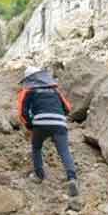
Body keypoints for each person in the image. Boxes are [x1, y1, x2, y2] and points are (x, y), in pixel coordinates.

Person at [17, 66, 79, 197]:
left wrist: (30, 125)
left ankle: (39, 175)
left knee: (36, 147)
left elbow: (22, 112)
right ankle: (72, 178)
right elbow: (67, 108)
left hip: (40, 123)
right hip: (59, 122)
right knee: (64, 151)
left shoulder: (28, 91)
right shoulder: (55, 90)